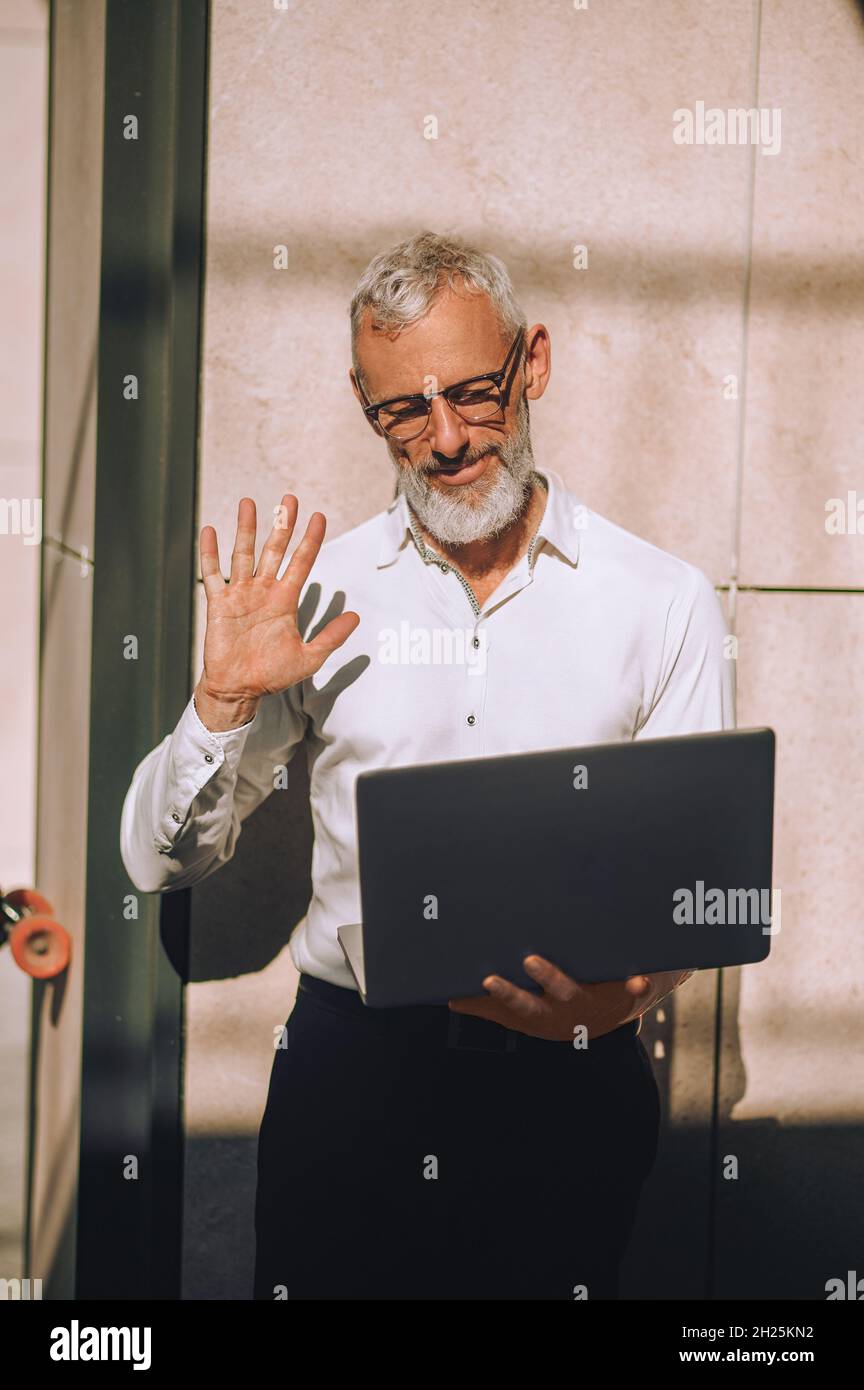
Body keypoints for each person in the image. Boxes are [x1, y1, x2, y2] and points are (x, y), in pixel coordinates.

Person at [120, 231, 734, 1300]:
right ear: (366, 404)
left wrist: (611, 1009)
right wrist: (220, 701)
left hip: (572, 1085)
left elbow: (688, 889)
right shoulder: (319, 593)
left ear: (531, 363)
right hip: (352, 1077)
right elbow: (158, 866)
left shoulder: (662, 598)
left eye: (474, 393)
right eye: (404, 409)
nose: (446, 438)